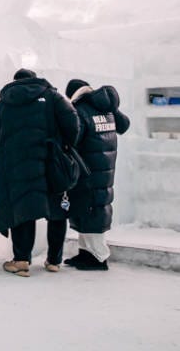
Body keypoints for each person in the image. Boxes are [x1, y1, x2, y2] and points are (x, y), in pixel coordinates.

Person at [0, 68, 80, 277]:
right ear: (35, 78)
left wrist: (15, 144)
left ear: (15, 82)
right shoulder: (53, 97)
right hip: (50, 160)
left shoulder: (5, 102)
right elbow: (73, 124)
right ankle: (54, 261)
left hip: (17, 164)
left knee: (22, 208)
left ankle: (21, 260)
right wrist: (61, 144)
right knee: (57, 209)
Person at [63, 79, 130, 270]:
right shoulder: (104, 107)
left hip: (88, 168)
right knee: (89, 208)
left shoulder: (81, 109)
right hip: (102, 167)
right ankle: (85, 253)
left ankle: (100, 257)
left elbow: (74, 137)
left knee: (91, 209)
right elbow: (124, 125)